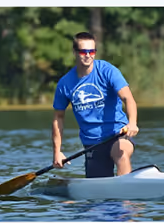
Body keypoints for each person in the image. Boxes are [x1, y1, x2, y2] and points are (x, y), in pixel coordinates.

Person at [51, 32, 138, 178]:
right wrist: (57, 151)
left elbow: (128, 99)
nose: (88, 55)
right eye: (83, 51)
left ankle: (126, 196)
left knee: (122, 152)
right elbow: (58, 118)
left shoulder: (108, 71)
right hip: (92, 144)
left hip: (117, 134)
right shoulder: (65, 84)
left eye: (92, 51)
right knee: (98, 191)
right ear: (75, 52)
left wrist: (133, 123)